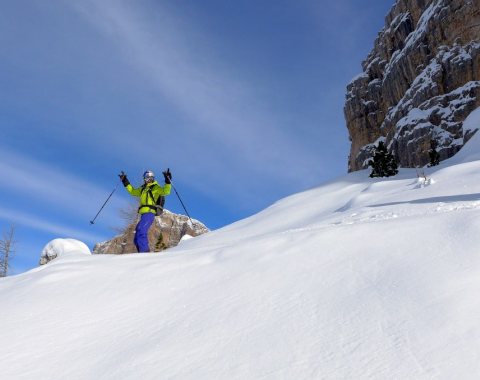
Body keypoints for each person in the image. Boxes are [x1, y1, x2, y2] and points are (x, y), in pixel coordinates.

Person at [118, 169, 172, 252]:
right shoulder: (143, 189)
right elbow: (132, 191)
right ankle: (141, 254)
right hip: (143, 214)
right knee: (136, 237)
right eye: (146, 177)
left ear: (153, 178)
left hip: (150, 213)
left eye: (150, 177)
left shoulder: (156, 187)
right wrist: (125, 181)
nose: (148, 179)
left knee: (141, 231)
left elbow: (166, 191)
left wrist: (168, 181)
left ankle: (145, 254)